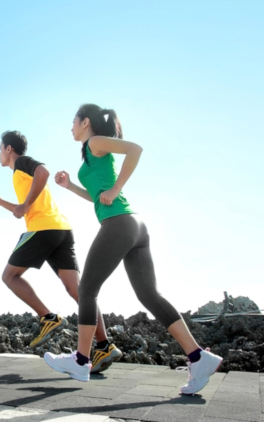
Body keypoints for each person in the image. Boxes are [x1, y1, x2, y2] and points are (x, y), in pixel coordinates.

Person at [45, 104, 222, 393]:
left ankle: (80, 360)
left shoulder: (95, 141)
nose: (71, 127)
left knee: (86, 289)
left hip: (119, 224)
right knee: (149, 295)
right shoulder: (91, 151)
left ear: (85, 122)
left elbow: (135, 149)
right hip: (133, 225)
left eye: (73, 121)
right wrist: (70, 187)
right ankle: (198, 357)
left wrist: (116, 189)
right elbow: (98, 197)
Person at [0, 130, 121, 373]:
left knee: (9, 276)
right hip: (61, 230)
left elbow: (43, 172)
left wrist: (26, 204)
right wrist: (1, 202)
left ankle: (48, 318)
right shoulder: (20, 176)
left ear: (9, 149)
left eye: (0, 149)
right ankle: (104, 345)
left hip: (43, 229)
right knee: (79, 292)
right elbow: (22, 210)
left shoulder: (22, 163)